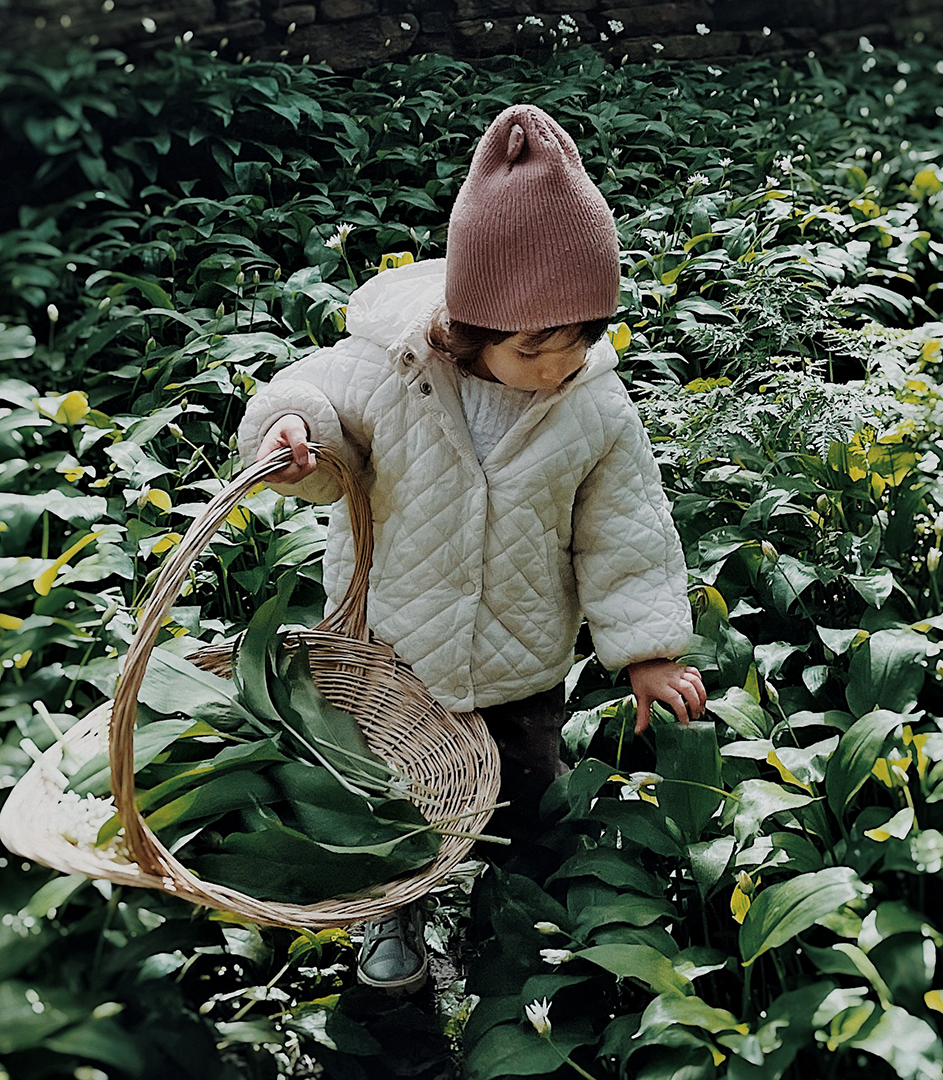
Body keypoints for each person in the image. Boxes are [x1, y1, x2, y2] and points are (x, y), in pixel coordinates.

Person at [237, 104, 707, 993]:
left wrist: (646, 651)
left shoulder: (594, 407)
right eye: (536, 347)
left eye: (584, 340)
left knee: (527, 793)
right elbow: (312, 408)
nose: (560, 365)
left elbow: (627, 530)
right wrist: (292, 434)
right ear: (474, 327)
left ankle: (521, 923)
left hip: (520, 663)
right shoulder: (389, 372)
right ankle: (393, 915)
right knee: (389, 800)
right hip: (394, 657)